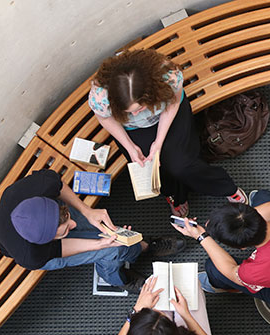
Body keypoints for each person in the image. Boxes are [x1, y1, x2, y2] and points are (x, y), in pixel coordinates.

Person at [88, 48, 247, 217]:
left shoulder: (168, 77)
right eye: (128, 111)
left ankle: (226, 188)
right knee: (151, 168)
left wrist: (158, 142)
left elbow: (172, 105)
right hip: (131, 129)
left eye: (140, 108)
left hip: (168, 115)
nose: (135, 114)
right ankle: (174, 196)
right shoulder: (100, 96)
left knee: (182, 165)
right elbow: (105, 118)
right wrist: (130, 147)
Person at [0, 168, 183, 292]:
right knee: (111, 250)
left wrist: (87, 211)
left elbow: (57, 185)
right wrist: (99, 244)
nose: (74, 225)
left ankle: (140, 246)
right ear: (50, 238)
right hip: (47, 252)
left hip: (50, 226)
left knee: (109, 233)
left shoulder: (34, 187)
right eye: (66, 229)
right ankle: (117, 278)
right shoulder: (31, 255)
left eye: (67, 217)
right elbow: (62, 248)